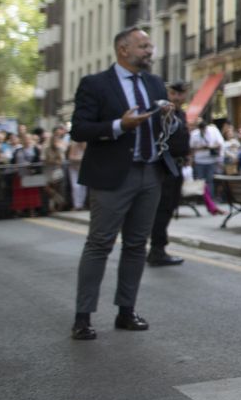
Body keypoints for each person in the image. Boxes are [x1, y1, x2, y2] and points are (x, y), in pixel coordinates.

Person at [68, 27, 175, 340]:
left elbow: (164, 127)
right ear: (123, 49)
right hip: (113, 175)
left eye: (149, 45)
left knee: (136, 245)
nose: (149, 50)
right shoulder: (95, 84)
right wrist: (119, 125)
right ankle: (83, 316)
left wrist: (169, 116)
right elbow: (79, 130)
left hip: (150, 173)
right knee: (99, 243)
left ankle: (126, 311)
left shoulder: (155, 83)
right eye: (143, 45)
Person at [148, 80, 191, 267]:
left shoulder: (180, 113)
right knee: (163, 208)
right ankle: (157, 249)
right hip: (166, 166)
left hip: (177, 166)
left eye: (181, 94)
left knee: (168, 207)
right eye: (174, 93)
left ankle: (157, 248)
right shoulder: (163, 111)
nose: (178, 97)